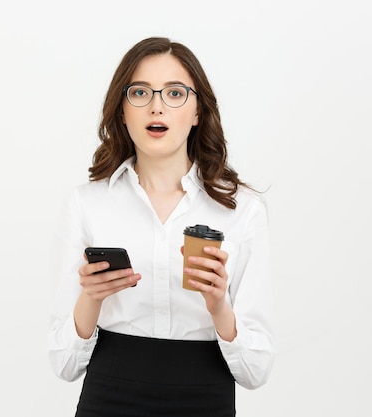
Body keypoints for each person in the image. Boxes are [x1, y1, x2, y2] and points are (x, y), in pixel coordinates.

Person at [48, 36, 275, 417]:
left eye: (174, 93)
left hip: (205, 398)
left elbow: (256, 371)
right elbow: (64, 365)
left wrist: (219, 307)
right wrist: (92, 296)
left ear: (198, 110)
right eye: (140, 92)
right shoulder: (87, 204)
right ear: (121, 110)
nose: (156, 106)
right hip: (109, 396)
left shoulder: (242, 210)